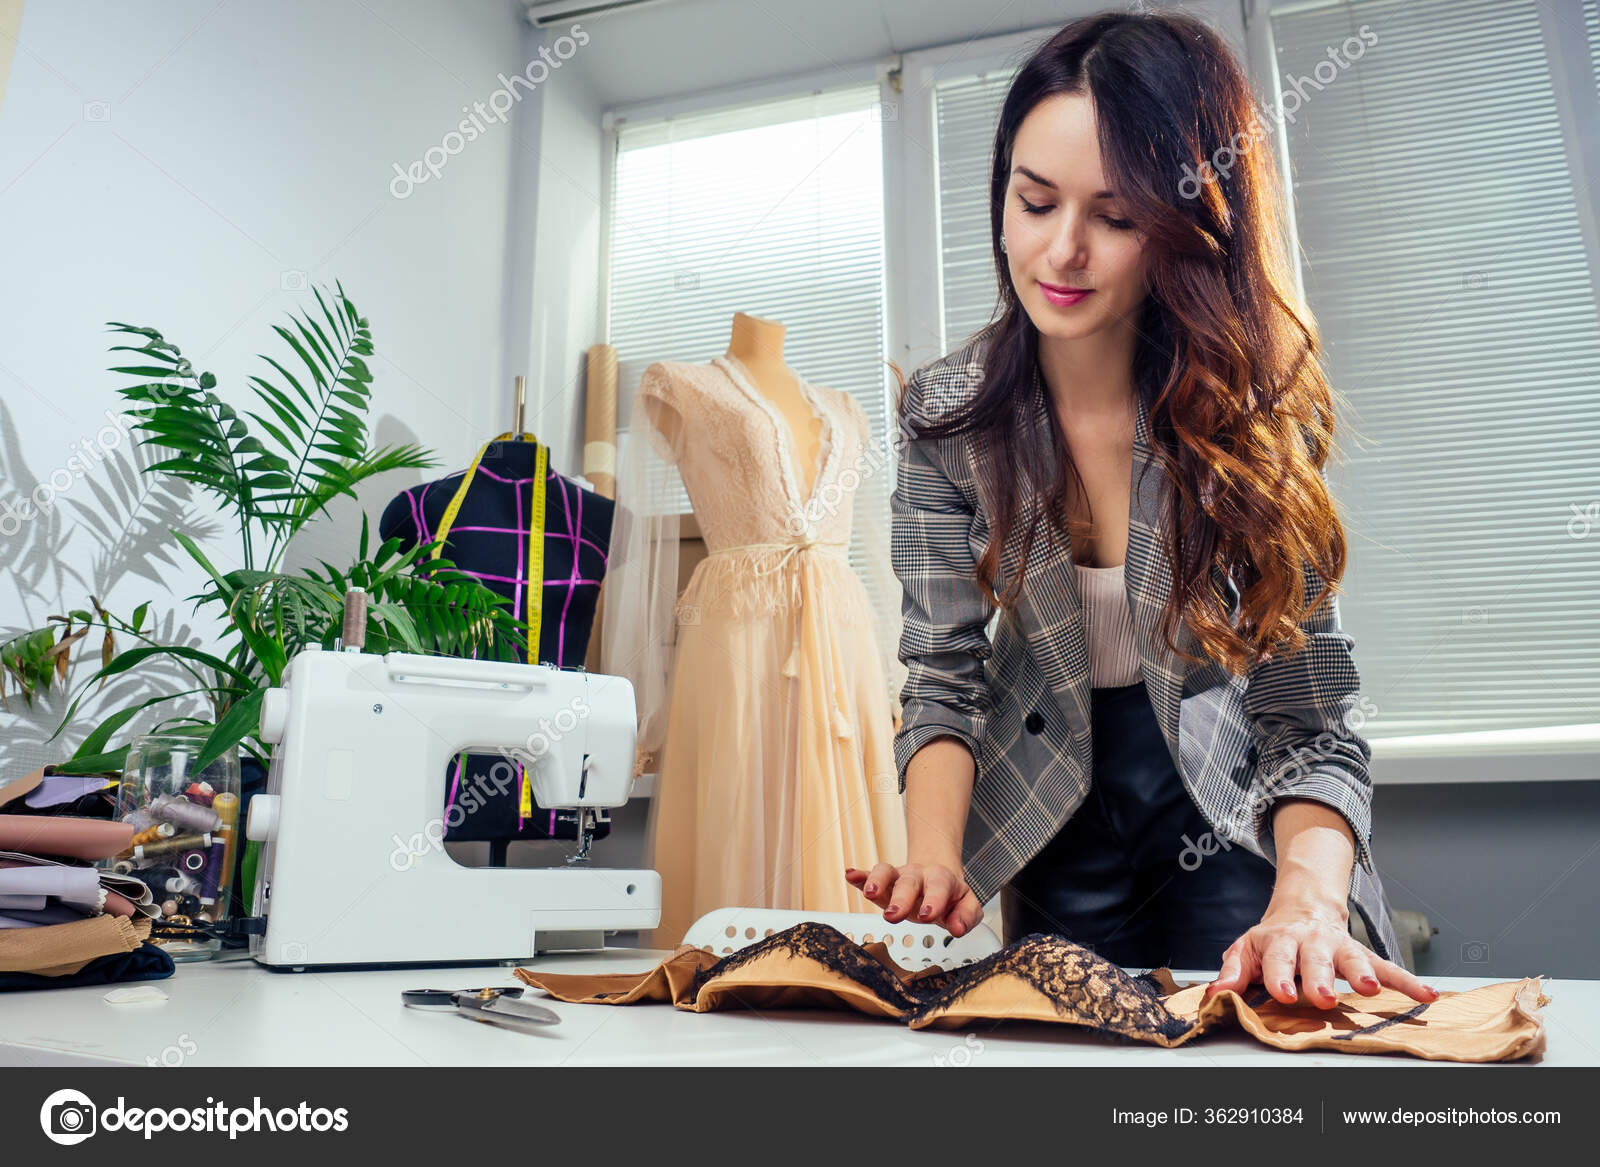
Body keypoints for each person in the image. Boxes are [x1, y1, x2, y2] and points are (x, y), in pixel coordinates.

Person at [846, 9, 1437, 1012]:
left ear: (1185, 230)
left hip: (1232, 803)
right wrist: (935, 856)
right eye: (1034, 202)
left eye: (1114, 220)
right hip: (1048, 807)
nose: (1061, 251)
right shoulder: (942, 415)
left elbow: (1308, 718)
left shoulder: (1250, 414)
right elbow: (943, 676)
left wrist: (1305, 901)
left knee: (1259, 1048)